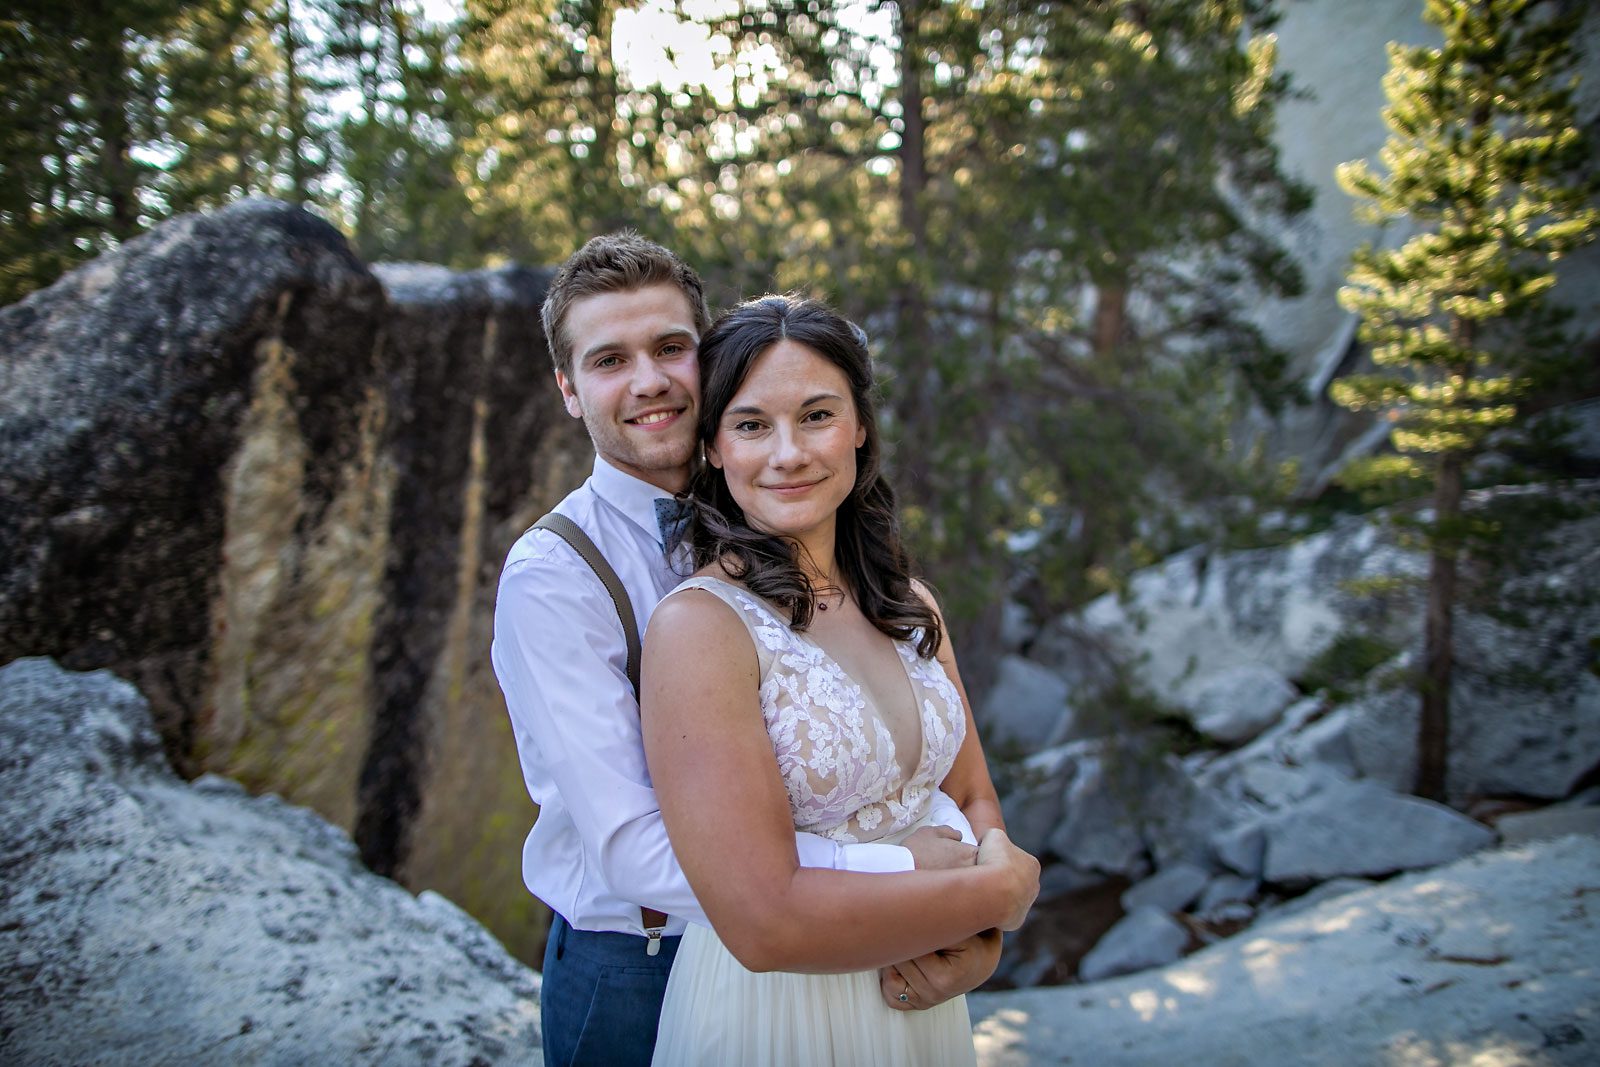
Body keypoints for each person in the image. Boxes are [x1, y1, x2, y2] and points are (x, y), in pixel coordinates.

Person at [491, 234, 1038, 1067]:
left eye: (671, 348)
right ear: (569, 388)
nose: (648, 381)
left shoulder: (822, 547)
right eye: (609, 360)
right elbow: (635, 846)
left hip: (871, 950)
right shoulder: (555, 576)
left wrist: (964, 919)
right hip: (646, 964)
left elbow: (959, 789)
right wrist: (906, 876)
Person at [642, 294, 1035, 1066]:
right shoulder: (700, 629)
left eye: (817, 414)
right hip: (779, 1017)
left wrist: (980, 946)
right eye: (753, 424)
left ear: (860, 428)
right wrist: (1002, 894)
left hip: (923, 1002)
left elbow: (971, 795)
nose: (788, 453)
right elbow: (761, 922)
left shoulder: (909, 604)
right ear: (715, 447)